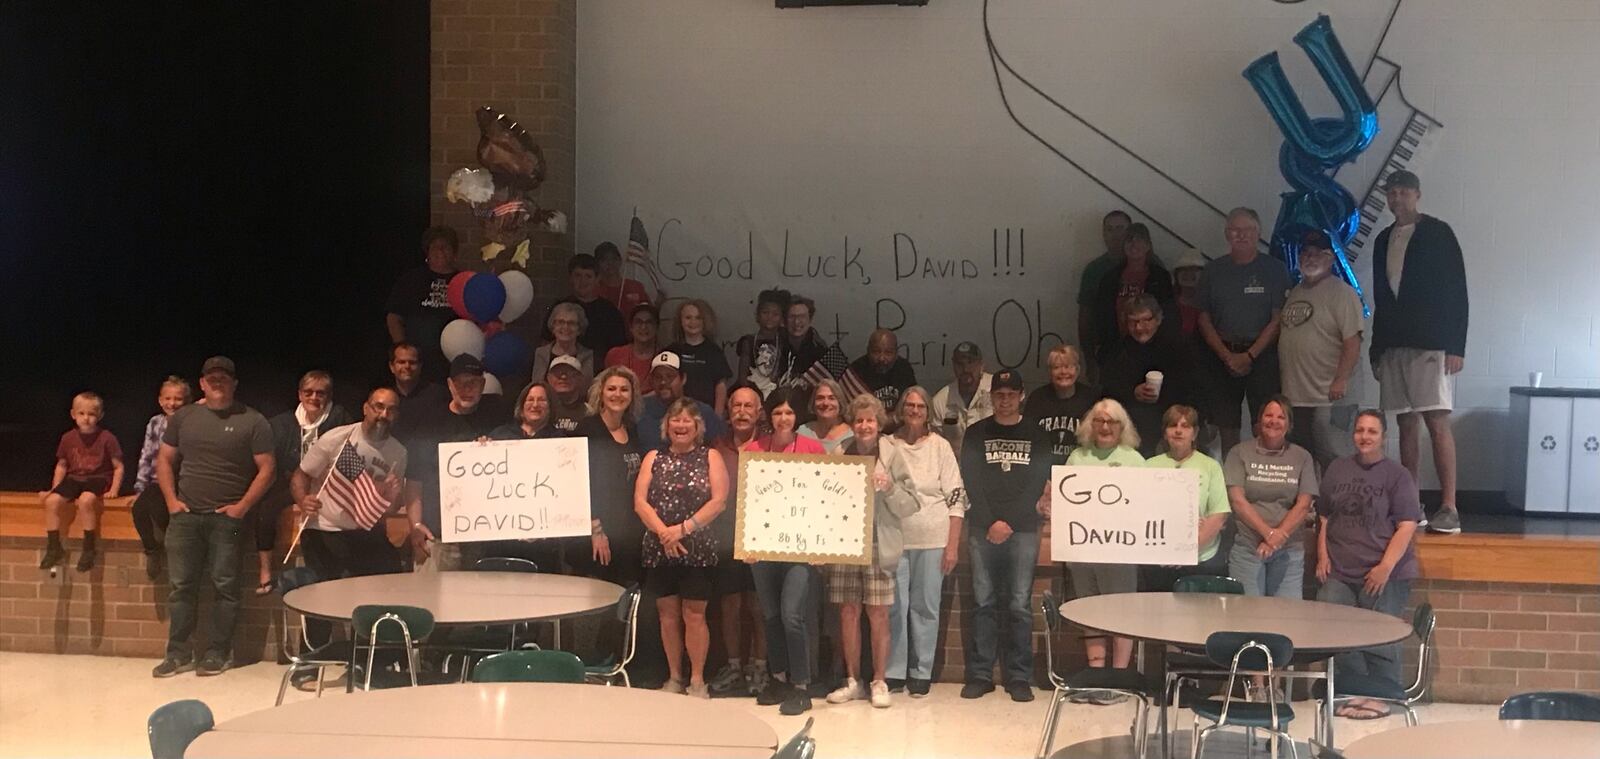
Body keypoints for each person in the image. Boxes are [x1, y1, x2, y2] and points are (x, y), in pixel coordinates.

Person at [153, 357, 275, 678]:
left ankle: (218, 652)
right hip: (185, 517)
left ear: (234, 384)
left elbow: (267, 469)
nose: (217, 383)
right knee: (181, 587)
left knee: (226, 587)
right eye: (212, 379)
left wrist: (242, 507)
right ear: (202, 384)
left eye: (224, 379)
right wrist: (171, 502)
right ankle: (178, 654)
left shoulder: (253, 421)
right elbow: (164, 460)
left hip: (228, 520)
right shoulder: (184, 417)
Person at [1370, 170, 1469, 534]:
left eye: (1403, 192)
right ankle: (1411, 503)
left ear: (1417, 195)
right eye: (1391, 193)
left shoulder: (1438, 233)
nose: (1397, 199)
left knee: (1436, 420)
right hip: (1393, 343)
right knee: (1404, 423)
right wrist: (1376, 348)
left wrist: (1456, 346)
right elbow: (1382, 296)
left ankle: (1449, 506)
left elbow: (1458, 290)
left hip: (1431, 342)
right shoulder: (1383, 238)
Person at [289, 387, 413, 676]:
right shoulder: (337, 439)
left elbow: (388, 504)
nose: (383, 415)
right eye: (378, 407)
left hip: (364, 530)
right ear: (366, 408)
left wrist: (392, 495)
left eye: (390, 409)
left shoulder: (398, 452)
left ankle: (370, 661)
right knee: (319, 599)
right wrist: (301, 499)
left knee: (378, 593)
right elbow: (302, 475)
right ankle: (309, 663)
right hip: (325, 528)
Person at [1315, 410, 1423, 718]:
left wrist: (1385, 567)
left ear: (1384, 437)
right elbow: (1324, 516)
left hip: (1384, 573)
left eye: (1372, 431)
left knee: (1380, 634)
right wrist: (1323, 555)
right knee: (1337, 632)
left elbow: (1406, 524)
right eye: (1360, 430)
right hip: (1340, 571)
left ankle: (1380, 696)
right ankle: (1350, 692)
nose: (1365, 436)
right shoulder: (1337, 468)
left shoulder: (1397, 475)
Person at [959, 368, 1051, 703]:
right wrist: (990, 522)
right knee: (983, 602)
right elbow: (971, 480)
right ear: (991, 396)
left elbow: (1036, 482)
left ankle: (1018, 676)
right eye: (1000, 395)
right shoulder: (975, 433)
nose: (1006, 400)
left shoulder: (1038, 434)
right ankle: (981, 674)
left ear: (1022, 395)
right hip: (982, 527)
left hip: (1023, 528)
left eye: (1012, 394)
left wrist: (1008, 522)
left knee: (1019, 605)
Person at [826, 394, 920, 710]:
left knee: (878, 613)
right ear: (852, 424)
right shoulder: (839, 452)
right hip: (844, 541)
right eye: (859, 420)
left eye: (870, 420)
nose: (864, 426)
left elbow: (912, 503)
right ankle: (853, 681)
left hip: (880, 540)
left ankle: (880, 680)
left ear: (879, 424)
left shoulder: (893, 455)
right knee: (848, 611)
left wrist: (890, 488)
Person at [634, 398, 729, 698]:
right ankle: (674, 677)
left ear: (698, 426)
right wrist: (665, 533)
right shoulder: (653, 457)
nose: (681, 424)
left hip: (696, 547)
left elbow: (719, 501)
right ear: (667, 426)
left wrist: (683, 530)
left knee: (694, 615)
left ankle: (697, 680)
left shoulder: (711, 456)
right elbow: (640, 502)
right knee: (667, 615)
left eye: (687, 420)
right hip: (660, 546)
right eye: (675, 420)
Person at [745, 387, 827, 715]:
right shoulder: (753, 450)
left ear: (797, 417)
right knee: (771, 615)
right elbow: (745, 500)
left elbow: (825, 502)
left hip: (801, 549)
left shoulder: (812, 449)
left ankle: (801, 685)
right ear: (769, 415)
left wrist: (822, 545)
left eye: (789, 413)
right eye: (777, 412)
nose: (783, 418)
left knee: (792, 615)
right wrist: (746, 542)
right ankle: (778, 677)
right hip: (762, 547)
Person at [887, 385, 966, 698]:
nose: (915, 411)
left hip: (933, 537)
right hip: (894, 537)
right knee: (894, 606)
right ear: (901, 409)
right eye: (910, 405)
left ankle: (921, 671)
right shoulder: (888, 444)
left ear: (927, 410)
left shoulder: (940, 447)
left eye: (921, 406)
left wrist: (952, 545)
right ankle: (894, 671)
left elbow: (956, 497)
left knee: (925, 608)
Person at [1061, 399, 1145, 680]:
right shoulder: (1077, 458)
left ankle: (1118, 678)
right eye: (1099, 421)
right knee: (1089, 611)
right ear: (1090, 425)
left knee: (1122, 613)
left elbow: (1147, 506)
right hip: (1083, 552)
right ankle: (1096, 676)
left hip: (1121, 553)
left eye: (1112, 421)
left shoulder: (1135, 460)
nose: (1105, 427)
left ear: (1122, 427)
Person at [1198, 207, 1292, 454]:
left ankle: (1265, 480)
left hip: (1263, 358)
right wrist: (1227, 356)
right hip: (1222, 357)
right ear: (1227, 234)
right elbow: (1203, 318)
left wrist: (1249, 355)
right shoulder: (1213, 270)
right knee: (1227, 425)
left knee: (1265, 422)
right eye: (1235, 230)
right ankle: (1232, 484)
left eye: (1248, 230)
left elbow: (1278, 319)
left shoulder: (1274, 269)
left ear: (1258, 233)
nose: (1241, 235)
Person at [404, 354, 509, 572]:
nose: (467, 389)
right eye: (461, 383)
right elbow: (414, 480)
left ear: (483, 384)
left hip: (484, 537)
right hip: (437, 536)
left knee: (480, 605)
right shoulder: (429, 423)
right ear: (450, 385)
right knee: (431, 602)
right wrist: (415, 525)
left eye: (473, 383)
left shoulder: (497, 417)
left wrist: (494, 448)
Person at [258, 371, 352, 596]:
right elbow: (276, 460)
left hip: (330, 486)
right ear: (299, 394)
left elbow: (349, 456)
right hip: (294, 483)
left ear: (329, 396)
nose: (314, 398)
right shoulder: (281, 423)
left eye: (321, 393)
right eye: (308, 392)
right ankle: (265, 570)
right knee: (265, 511)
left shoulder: (340, 419)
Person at [1279, 230, 1364, 472]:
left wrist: (1341, 379)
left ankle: (1340, 508)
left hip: (1330, 395)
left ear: (1331, 259)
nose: (1310, 258)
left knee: (1335, 456)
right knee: (1304, 457)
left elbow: (1352, 341)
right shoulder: (1295, 292)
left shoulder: (1343, 293)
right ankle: (1313, 507)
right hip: (1297, 394)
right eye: (1305, 253)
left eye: (1318, 253)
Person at [707, 384, 770, 697]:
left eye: (749, 407)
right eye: (737, 406)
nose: (742, 412)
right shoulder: (715, 447)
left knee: (759, 607)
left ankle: (759, 665)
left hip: (764, 539)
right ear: (728, 413)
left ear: (759, 413)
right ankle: (733, 665)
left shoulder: (772, 447)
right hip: (725, 540)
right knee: (730, 605)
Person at [1225, 395, 1317, 599]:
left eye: (1281, 417)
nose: (1274, 421)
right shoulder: (1239, 452)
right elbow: (1238, 501)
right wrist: (1268, 533)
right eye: (1269, 415)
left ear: (1289, 424)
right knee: (1246, 618)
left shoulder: (1302, 457)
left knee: (1286, 618)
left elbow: (1303, 504)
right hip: (1248, 549)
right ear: (1259, 420)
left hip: (1289, 551)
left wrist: (1277, 538)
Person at [1101, 296, 1208, 457]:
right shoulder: (1116, 351)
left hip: (1173, 425)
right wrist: (1132, 391)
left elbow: (1195, 389)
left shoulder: (1180, 347)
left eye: (1145, 321)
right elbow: (1107, 393)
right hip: (1131, 428)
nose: (1139, 327)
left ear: (1158, 319)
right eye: (1133, 322)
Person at [1140, 405, 1232, 591]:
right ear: (1165, 433)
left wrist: (1183, 551)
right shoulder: (1148, 466)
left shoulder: (1210, 466)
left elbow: (1218, 514)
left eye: (1186, 426)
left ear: (1195, 433)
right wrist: (1167, 552)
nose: (1179, 431)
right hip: (1157, 561)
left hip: (1200, 561)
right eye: (1173, 425)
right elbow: (1139, 513)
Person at [39, 391, 125, 573]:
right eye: (82, 413)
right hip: (74, 477)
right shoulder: (68, 438)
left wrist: (114, 489)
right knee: (52, 502)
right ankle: (54, 546)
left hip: (98, 478)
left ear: (100, 416)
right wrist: (54, 489)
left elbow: (118, 466)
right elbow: (62, 465)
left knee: (86, 500)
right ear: (73, 415)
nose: (86, 418)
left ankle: (89, 548)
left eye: (91, 414)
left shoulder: (107, 438)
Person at [131, 376, 191, 580]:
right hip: (157, 480)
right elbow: (146, 455)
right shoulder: (155, 423)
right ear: (160, 400)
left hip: (182, 480)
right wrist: (140, 487)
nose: (172, 403)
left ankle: (175, 549)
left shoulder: (191, 422)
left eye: (178, 399)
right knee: (139, 509)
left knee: (161, 510)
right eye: (167, 398)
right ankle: (152, 550)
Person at [1090, 223, 1176, 363]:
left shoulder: (1160, 277)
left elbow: (1168, 314)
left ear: (1148, 246)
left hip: (1153, 351)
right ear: (1124, 245)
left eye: (1140, 239)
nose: (1134, 243)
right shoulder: (1109, 278)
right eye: (1130, 239)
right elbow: (1101, 316)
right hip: (1116, 351)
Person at [385, 226, 459, 381]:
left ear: (454, 253)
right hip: (416, 361)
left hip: (453, 360)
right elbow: (393, 317)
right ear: (427, 252)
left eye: (445, 247)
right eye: (435, 247)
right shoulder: (411, 280)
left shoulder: (464, 282)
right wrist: (402, 350)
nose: (440, 251)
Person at [540, 253, 628, 355]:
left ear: (597, 279)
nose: (583, 281)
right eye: (578, 275)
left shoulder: (610, 311)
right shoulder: (558, 308)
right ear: (570, 278)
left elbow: (619, 350)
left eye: (588, 276)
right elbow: (545, 343)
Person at [1026, 344, 1099, 466]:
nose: (1063, 372)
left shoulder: (1091, 399)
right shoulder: (1037, 399)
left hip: (1082, 468)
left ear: (1078, 370)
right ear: (1049, 371)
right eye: (1057, 367)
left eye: (1068, 366)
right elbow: (1028, 438)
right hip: (1044, 470)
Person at [639, 351, 726, 450]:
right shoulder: (641, 410)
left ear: (683, 378)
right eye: (658, 377)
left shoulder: (703, 412)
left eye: (670, 376)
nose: (663, 382)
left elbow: (720, 447)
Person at [1078, 210, 1133, 364]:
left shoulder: (1151, 265)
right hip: (1107, 352)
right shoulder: (1094, 270)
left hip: (1145, 353)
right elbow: (1085, 318)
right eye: (1110, 229)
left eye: (1120, 228)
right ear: (1103, 234)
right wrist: (1089, 360)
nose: (1115, 235)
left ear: (1130, 232)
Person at [667, 299, 732, 415]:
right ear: (680, 321)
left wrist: (717, 417)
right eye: (688, 317)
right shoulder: (671, 351)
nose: (693, 322)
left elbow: (720, 386)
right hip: (677, 414)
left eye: (698, 318)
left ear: (705, 321)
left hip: (706, 414)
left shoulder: (714, 351)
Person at [929, 341, 993, 453]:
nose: (966, 369)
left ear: (981, 365)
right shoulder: (941, 400)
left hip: (990, 461)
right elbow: (934, 444)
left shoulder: (996, 390)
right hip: (955, 464)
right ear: (953, 366)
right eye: (960, 364)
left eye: (970, 363)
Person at [386, 342, 448, 444]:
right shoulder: (385, 399)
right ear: (392, 366)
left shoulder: (438, 395)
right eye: (401, 362)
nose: (407, 366)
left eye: (412, 362)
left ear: (420, 366)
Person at [736, 288, 790, 397]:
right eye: (765, 312)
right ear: (757, 315)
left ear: (782, 318)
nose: (770, 317)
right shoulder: (749, 341)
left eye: (775, 314)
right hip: (752, 391)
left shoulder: (786, 340)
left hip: (778, 393)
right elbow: (742, 376)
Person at [850, 329, 918, 412]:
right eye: (876, 352)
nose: (882, 358)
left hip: (898, 422)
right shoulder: (856, 370)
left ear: (896, 354)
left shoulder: (904, 368)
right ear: (868, 351)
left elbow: (913, 402)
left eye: (888, 353)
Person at [531, 301, 596, 381]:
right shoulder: (541, 353)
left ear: (579, 329)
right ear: (553, 326)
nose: (565, 327)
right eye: (560, 322)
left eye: (571, 323)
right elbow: (536, 385)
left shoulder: (586, 355)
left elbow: (586, 387)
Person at [775, 294, 829, 391]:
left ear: (810, 319)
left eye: (802, 316)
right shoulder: (774, 346)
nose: (796, 322)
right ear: (784, 320)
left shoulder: (821, 351)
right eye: (792, 317)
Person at [594, 241, 653, 315]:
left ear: (620, 260)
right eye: (604, 260)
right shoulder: (593, 290)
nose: (610, 263)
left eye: (614, 259)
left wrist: (659, 302)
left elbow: (649, 314)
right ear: (597, 264)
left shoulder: (636, 287)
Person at [604, 302, 660, 380]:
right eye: (638, 322)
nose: (643, 327)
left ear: (656, 327)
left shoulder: (663, 356)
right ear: (631, 327)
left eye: (649, 322)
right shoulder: (614, 355)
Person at [797, 379, 853, 454]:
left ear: (840, 402)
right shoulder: (802, 432)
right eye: (820, 398)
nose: (826, 403)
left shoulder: (852, 436)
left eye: (831, 398)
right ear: (813, 403)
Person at [545, 355, 590, 434]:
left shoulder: (589, 413)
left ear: (580, 378)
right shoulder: (540, 410)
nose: (563, 377)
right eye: (558, 373)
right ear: (548, 378)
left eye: (569, 373)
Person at [1171, 248, 1209, 340]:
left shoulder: (1212, 305)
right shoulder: (1167, 303)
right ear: (1176, 275)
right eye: (1183, 269)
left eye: (1194, 269)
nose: (1188, 273)